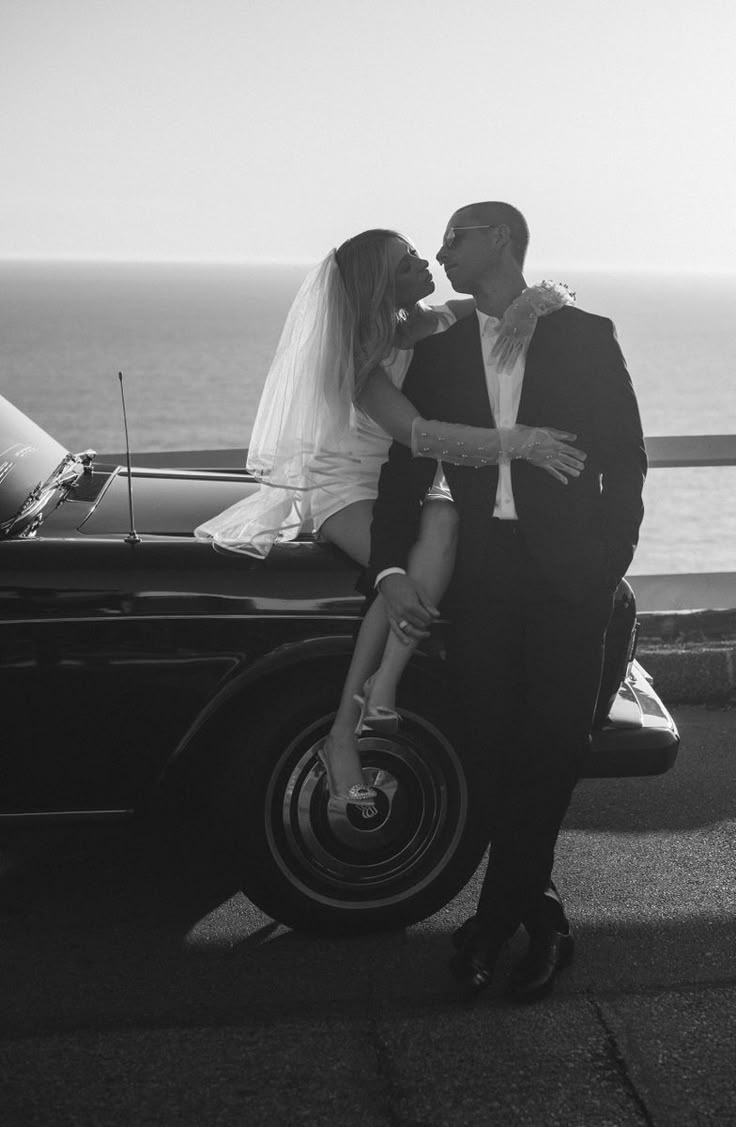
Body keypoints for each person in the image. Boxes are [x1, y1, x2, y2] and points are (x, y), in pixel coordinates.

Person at [196, 228, 587, 809]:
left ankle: (383, 685)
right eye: (408, 261)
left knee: (447, 523)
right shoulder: (355, 354)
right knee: (397, 569)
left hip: (400, 488)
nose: (425, 260)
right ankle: (345, 728)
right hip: (343, 488)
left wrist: (532, 308)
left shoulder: (437, 320)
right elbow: (416, 435)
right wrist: (519, 443)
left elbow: (541, 296)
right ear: (383, 283)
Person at [367, 201, 646, 1001]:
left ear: (501, 240)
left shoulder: (586, 334)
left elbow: (626, 462)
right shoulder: (443, 342)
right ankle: (539, 912)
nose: (444, 249)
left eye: (457, 236)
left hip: (570, 579)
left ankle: (492, 925)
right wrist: (389, 565)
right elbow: (408, 461)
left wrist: (606, 564)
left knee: (553, 744)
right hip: (483, 574)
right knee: (488, 746)